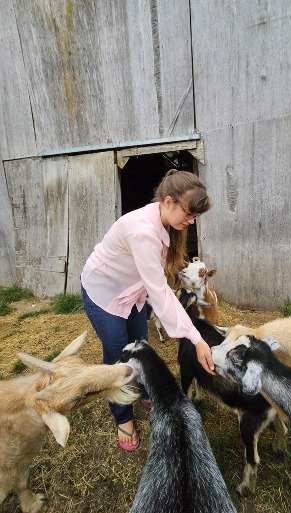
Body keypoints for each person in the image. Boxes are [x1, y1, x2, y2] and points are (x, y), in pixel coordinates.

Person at [80, 169, 215, 451]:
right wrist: (196, 338)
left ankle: (143, 390)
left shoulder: (165, 222)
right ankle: (123, 416)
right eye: (188, 214)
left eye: (195, 216)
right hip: (105, 293)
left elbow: (157, 282)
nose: (191, 221)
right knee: (118, 356)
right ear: (168, 201)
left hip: (131, 291)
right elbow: (161, 293)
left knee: (140, 346)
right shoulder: (141, 231)